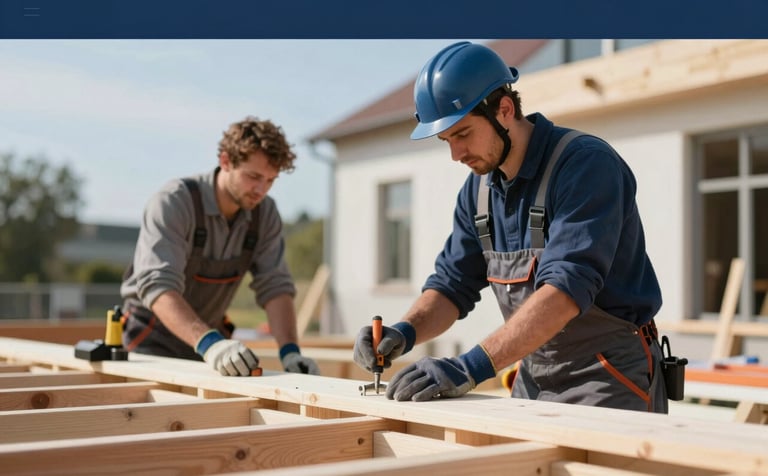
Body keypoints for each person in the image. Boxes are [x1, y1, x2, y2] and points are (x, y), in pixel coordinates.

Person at [353, 41, 668, 412]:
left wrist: (468, 367)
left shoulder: (585, 166)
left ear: (504, 110)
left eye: (463, 134)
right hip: (533, 375)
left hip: (607, 376)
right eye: (445, 140)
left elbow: (565, 292)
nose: (455, 154)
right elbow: (452, 286)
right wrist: (403, 333)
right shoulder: (478, 190)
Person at [121, 116, 319, 377]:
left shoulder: (264, 214)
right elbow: (158, 286)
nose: (261, 189)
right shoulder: (174, 202)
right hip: (152, 341)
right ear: (225, 161)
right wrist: (209, 344)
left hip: (211, 342)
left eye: (271, 180)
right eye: (254, 176)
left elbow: (276, 287)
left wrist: (290, 351)